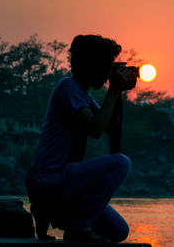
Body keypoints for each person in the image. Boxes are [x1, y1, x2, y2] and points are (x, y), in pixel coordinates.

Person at [25, 35, 136, 243]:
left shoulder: (83, 95)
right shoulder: (68, 87)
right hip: (48, 179)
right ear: (89, 67)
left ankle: (48, 211)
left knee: (118, 231)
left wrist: (119, 92)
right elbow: (96, 129)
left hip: (65, 184)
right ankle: (77, 227)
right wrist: (113, 89)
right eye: (106, 67)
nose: (107, 74)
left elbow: (110, 130)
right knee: (121, 163)